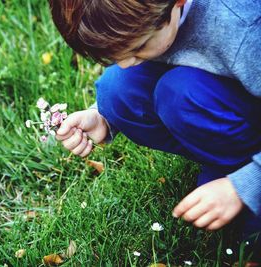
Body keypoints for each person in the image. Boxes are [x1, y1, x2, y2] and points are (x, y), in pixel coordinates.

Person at [48, 0, 261, 259]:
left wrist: (242, 186)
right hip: (223, 91)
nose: (125, 63)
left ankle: (244, 168)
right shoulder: (153, 19)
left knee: (181, 94)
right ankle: (227, 158)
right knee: (117, 89)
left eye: (138, 48)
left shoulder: (245, 29)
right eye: (114, 55)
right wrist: (102, 117)